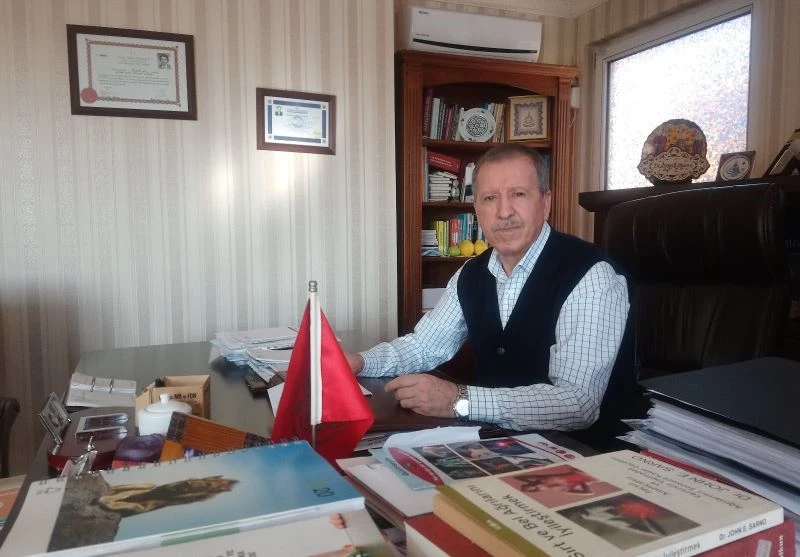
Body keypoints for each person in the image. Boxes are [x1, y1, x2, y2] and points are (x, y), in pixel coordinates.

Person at [345, 143, 634, 443]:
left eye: (518, 194)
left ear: (545, 203)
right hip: (498, 442)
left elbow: (577, 404)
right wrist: (360, 362)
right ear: (477, 210)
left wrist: (459, 400)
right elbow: (424, 346)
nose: (504, 212)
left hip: (584, 453)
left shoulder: (591, 275)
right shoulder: (471, 273)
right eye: (490, 198)